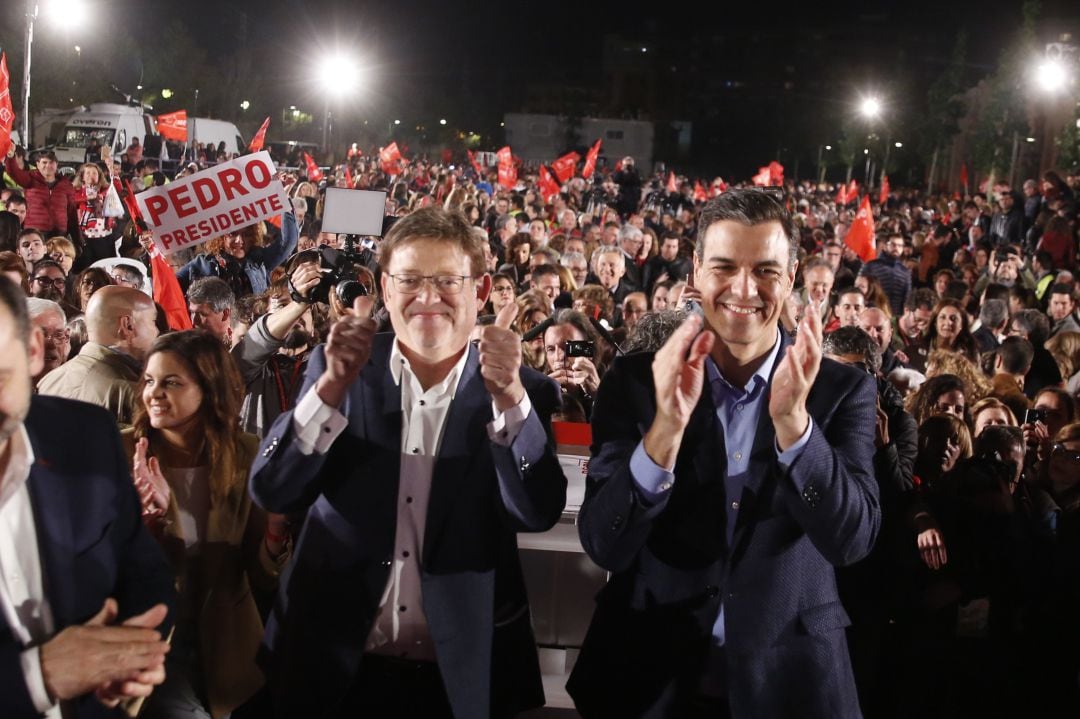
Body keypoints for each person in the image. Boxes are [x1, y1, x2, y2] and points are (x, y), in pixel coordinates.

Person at [568, 189, 879, 718]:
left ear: (793, 272)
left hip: (790, 684)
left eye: (765, 270)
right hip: (648, 681)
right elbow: (605, 543)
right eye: (724, 267)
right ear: (695, 269)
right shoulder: (637, 381)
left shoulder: (840, 389)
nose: (743, 289)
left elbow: (851, 540)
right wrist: (664, 430)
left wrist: (794, 427)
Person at [249, 207, 567, 718]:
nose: (427, 298)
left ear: (481, 291)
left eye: (447, 281)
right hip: (328, 667)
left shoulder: (524, 390)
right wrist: (328, 391)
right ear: (383, 287)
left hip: (458, 677)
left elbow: (536, 512)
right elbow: (273, 489)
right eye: (411, 280)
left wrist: (509, 400)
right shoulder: (337, 368)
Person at [0, 276, 175, 717]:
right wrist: (38, 677)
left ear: (34, 352)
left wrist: (134, 648)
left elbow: (144, 572)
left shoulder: (83, 435)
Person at [125, 330, 289, 718]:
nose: (154, 393)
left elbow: (265, 577)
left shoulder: (247, 454)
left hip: (228, 646)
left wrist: (276, 529)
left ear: (209, 389)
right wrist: (150, 524)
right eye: (149, 380)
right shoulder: (120, 453)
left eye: (172, 382)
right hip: (150, 643)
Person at [37, 286, 159, 425]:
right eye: (153, 321)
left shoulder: (50, 381)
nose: (157, 331)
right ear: (128, 325)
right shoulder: (133, 393)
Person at [3, 150, 76, 236]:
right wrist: (11, 157)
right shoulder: (30, 178)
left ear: (57, 164)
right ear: (37, 164)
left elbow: (72, 212)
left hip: (59, 234)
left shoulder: (66, 184)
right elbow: (13, 172)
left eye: (51, 162)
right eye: (44, 162)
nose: (48, 165)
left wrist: (77, 238)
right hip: (34, 232)